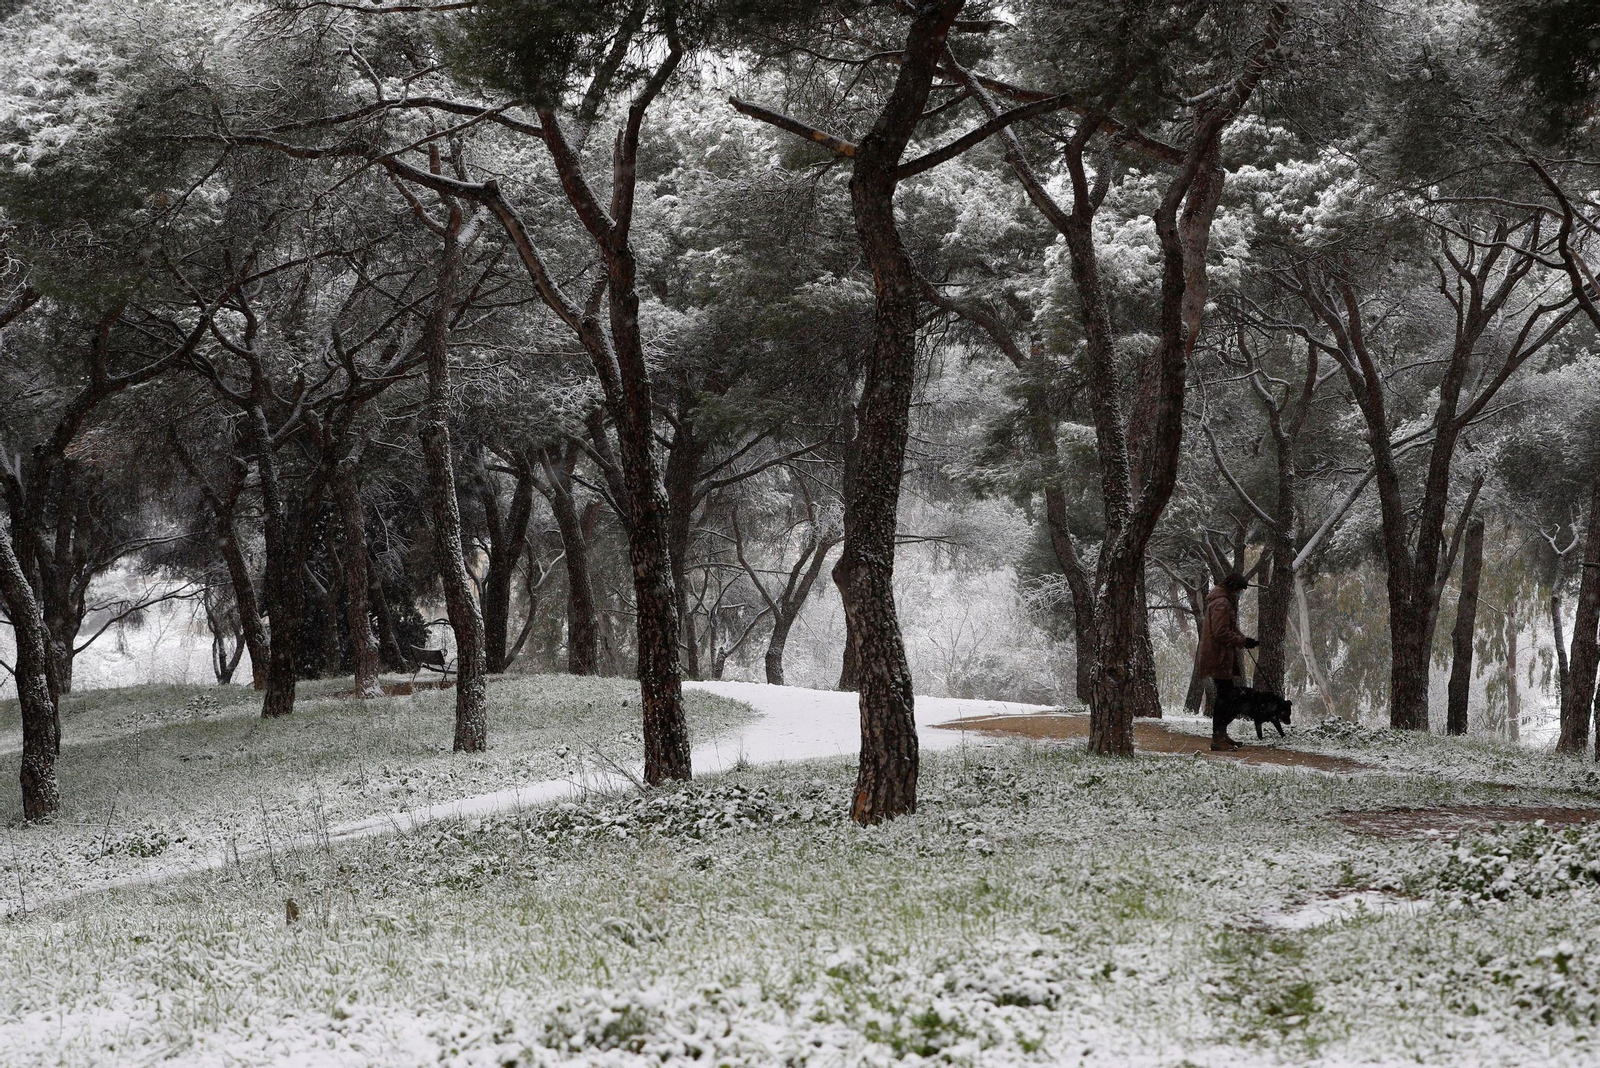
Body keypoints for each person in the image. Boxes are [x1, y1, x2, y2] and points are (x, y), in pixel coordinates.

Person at [1195, 572, 1258, 751]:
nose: (1240, 593)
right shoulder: (1222, 603)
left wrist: (1244, 640)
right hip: (1218, 656)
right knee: (1226, 698)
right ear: (1233, 587)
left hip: (1219, 655)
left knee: (1226, 697)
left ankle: (1221, 735)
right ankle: (1218, 737)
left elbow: (1227, 629)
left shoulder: (1222, 601)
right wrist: (1242, 641)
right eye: (1240, 590)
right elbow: (1220, 632)